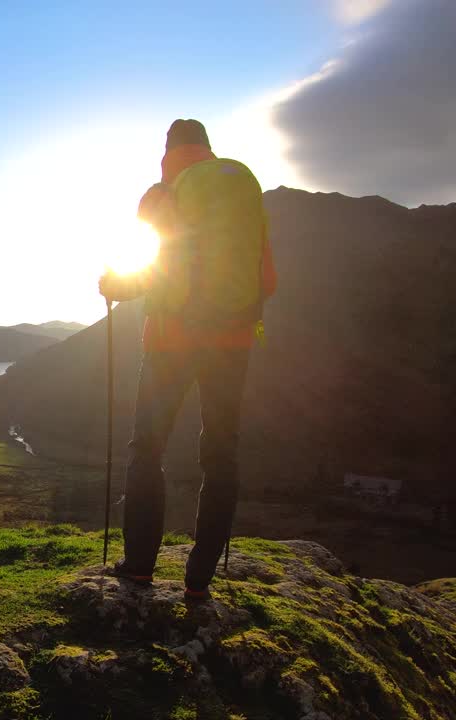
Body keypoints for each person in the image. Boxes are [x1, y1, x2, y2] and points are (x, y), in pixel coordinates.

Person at [98, 118, 277, 601]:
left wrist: (113, 285)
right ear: (207, 146)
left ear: (168, 151)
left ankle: (139, 568)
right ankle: (199, 580)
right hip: (235, 340)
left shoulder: (165, 191)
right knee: (220, 453)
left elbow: (154, 269)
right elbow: (268, 279)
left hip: (172, 341)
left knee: (147, 448)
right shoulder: (242, 188)